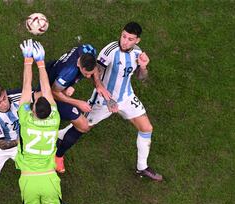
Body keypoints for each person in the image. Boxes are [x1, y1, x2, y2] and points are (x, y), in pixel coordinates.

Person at [58, 22, 163, 181]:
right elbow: (95, 75)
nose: (125, 41)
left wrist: (143, 67)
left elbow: (141, 78)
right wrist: (107, 99)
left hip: (127, 97)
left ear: (137, 41)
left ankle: (141, 167)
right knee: (83, 126)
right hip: (102, 100)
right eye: (123, 36)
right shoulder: (109, 51)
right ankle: (58, 141)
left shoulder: (138, 53)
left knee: (147, 128)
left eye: (130, 39)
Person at [17, 39, 75, 204]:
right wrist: (41, 64)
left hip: (28, 180)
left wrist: (28, 61)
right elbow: (48, 92)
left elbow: (25, 87)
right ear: (49, 111)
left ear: (32, 111)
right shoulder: (54, 121)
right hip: (49, 179)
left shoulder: (25, 120)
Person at [45, 43, 117, 173]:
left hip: (58, 78)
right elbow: (55, 92)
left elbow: (94, 70)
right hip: (50, 92)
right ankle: (57, 155)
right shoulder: (68, 72)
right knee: (83, 126)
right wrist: (78, 103)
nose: (88, 76)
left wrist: (98, 84)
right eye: (86, 74)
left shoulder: (88, 50)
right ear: (79, 65)